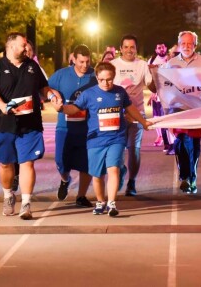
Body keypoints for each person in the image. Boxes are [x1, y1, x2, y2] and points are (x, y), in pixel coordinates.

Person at [60, 62, 151, 217]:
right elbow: (74, 109)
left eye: (109, 79)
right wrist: (60, 108)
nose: (106, 83)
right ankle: (101, 201)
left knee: (113, 169)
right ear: (97, 77)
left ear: (113, 77)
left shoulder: (120, 92)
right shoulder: (88, 94)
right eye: (102, 79)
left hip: (116, 138)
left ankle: (111, 202)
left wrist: (144, 122)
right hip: (95, 140)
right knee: (97, 175)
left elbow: (130, 108)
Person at [0, 32, 52, 220]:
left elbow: (43, 88)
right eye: (23, 45)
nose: (26, 48)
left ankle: (26, 203)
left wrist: (53, 96)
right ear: (11, 46)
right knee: (6, 164)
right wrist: (2, 106)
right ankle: (8, 195)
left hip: (30, 124)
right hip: (4, 124)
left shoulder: (32, 66)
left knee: (27, 162)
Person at [47, 44, 96, 208]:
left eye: (87, 62)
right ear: (73, 59)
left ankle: (81, 196)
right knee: (61, 161)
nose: (84, 65)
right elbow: (46, 88)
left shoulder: (94, 76)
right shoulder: (61, 75)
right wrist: (54, 96)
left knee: (86, 163)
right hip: (64, 127)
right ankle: (64, 180)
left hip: (88, 128)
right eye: (81, 61)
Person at [165, 30, 201, 194]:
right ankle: (184, 176)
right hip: (177, 109)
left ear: (195, 45)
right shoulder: (170, 64)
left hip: (197, 109)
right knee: (179, 144)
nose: (186, 46)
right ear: (179, 45)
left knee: (194, 145)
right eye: (183, 43)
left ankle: (192, 178)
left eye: (189, 43)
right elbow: (164, 86)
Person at [110, 34, 156, 196]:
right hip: (116, 116)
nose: (129, 50)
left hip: (137, 115)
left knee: (134, 150)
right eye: (126, 47)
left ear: (136, 49)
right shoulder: (112, 65)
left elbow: (153, 87)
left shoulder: (142, 65)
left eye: (132, 47)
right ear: (120, 49)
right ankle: (120, 171)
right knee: (117, 150)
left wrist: (158, 77)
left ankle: (132, 182)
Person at [147, 43, 172, 153]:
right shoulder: (152, 61)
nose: (161, 49)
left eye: (163, 47)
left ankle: (171, 143)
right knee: (158, 118)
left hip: (169, 95)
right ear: (155, 49)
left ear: (166, 48)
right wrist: (153, 92)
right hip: (156, 95)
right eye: (159, 47)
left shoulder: (171, 59)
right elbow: (149, 79)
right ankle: (165, 142)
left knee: (168, 119)